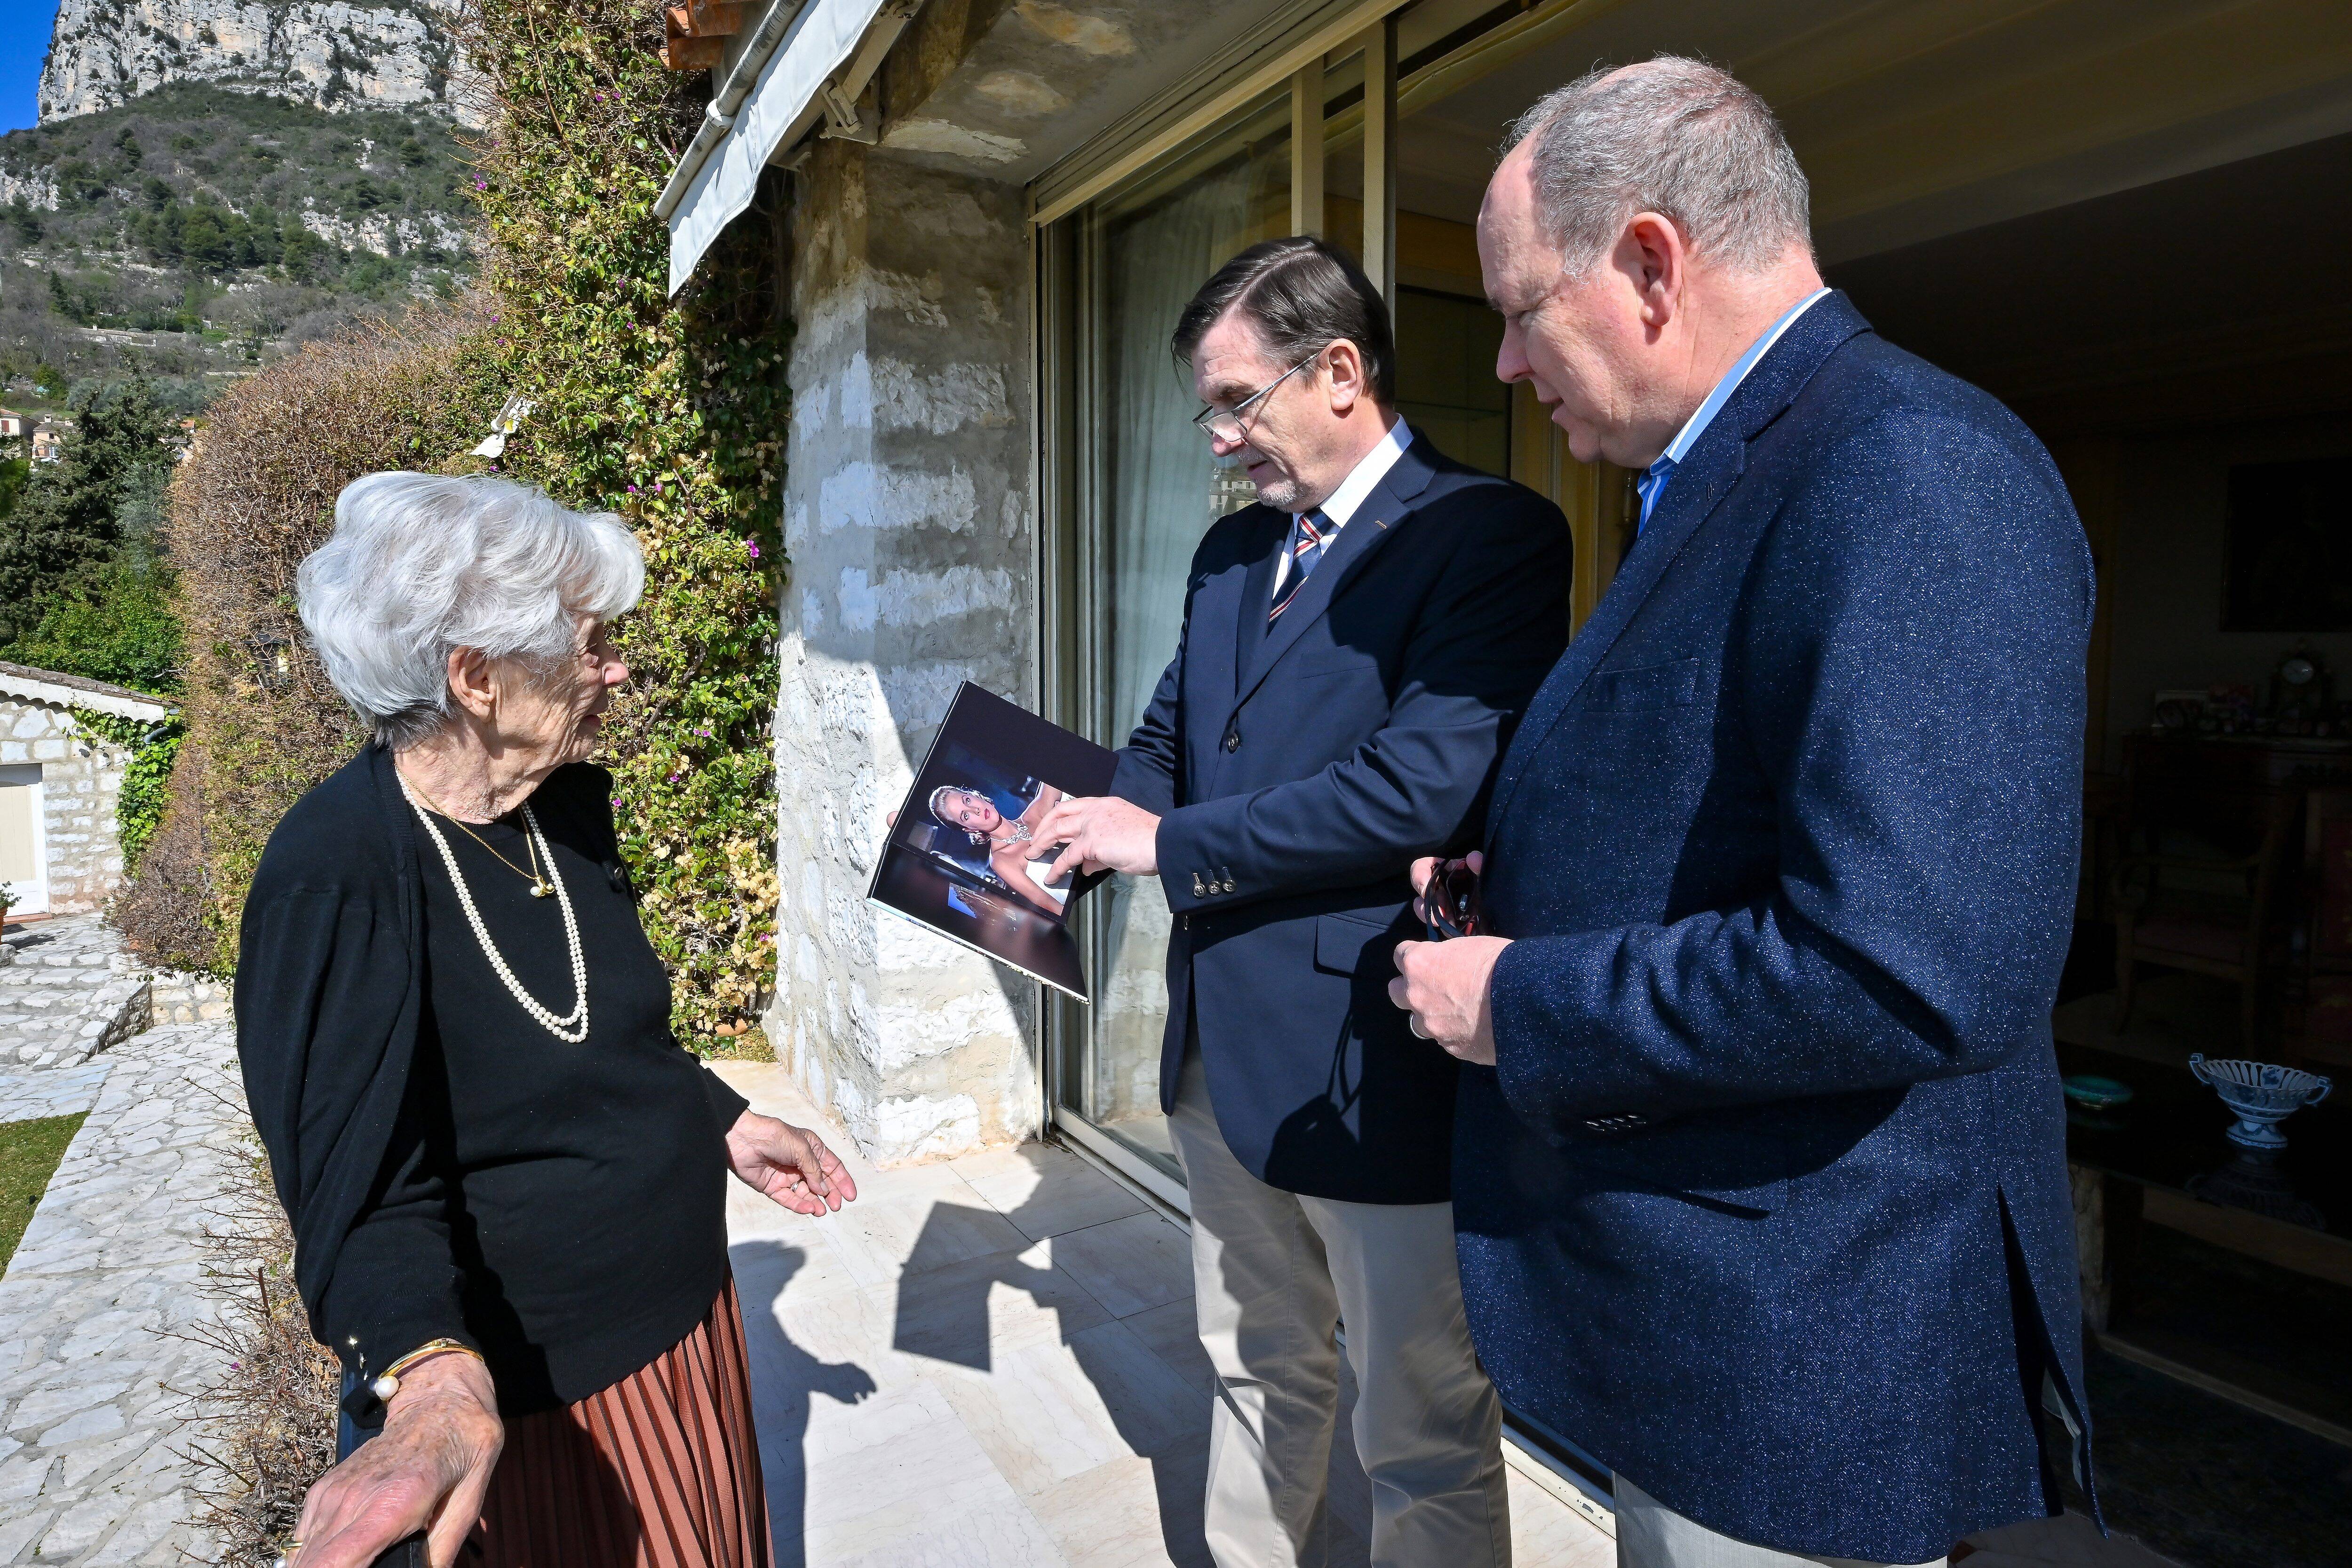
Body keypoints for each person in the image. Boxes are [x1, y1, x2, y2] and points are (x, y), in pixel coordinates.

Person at [1388, 58, 2097, 1568]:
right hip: (1718, 1326)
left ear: (1649, 262)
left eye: (1518, 307)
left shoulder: (1906, 467)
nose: (1506, 360)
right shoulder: (1727, 465)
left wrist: (1520, 997)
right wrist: (1518, 864)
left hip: (1799, 1369)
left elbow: (1907, 965)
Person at [1038, 236, 1571, 1568]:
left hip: (1372, 1061)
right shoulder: (1230, 556)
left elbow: (1417, 791)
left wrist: (1161, 841)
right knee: (1248, 1362)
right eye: (1209, 411)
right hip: (1218, 1053)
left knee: (1419, 1424)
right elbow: (1166, 742)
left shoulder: (1485, 535)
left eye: (1237, 402)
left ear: (1339, 369)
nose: (1221, 440)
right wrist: (1060, 819)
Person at [235, 472, 860, 1568]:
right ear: (475, 677)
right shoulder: (334, 875)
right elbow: (357, 1193)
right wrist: (429, 1377)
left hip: (687, 1320)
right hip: (556, 1393)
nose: (616, 668)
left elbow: (602, 1032)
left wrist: (711, 1113)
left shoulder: (559, 805)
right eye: (591, 643)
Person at [929, 780, 1072, 913]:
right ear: (969, 829)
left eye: (967, 800)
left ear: (976, 796)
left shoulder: (1034, 814)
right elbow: (1047, 903)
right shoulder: (1001, 860)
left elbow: (1056, 772)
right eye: (965, 816)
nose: (975, 810)